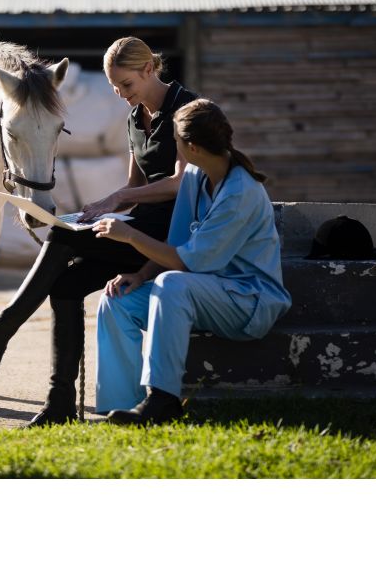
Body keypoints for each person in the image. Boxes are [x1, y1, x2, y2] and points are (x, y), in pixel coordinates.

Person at [0, 36, 198, 427]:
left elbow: (181, 182)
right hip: (139, 226)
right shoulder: (133, 119)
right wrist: (96, 212)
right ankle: (58, 403)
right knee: (65, 285)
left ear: (149, 69)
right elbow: (133, 187)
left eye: (126, 85)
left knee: (59, 239)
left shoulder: (185, 108)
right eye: (114, 88)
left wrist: (115, 199)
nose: (121, 95)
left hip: (171, 236)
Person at [91, 98, 292, 425]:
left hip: (249, 302)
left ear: (193, 147)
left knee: (173, 283)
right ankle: (123, 405)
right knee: (117, 300)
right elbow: (176, 243)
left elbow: (187, 263)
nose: (174, 147)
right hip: (203, 293)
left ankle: (163, 400)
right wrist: (141, 275)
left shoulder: (240, 193)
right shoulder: (195, 176)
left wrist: (129, 235)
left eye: (176, 140)